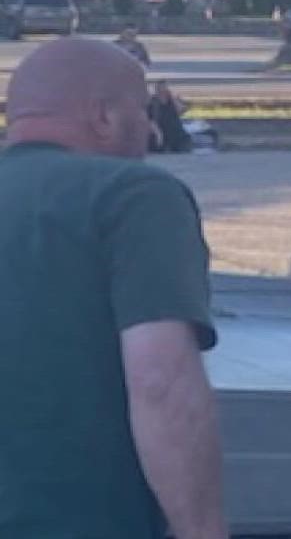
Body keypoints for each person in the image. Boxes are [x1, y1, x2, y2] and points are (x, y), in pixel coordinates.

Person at [0, 38, 227, 539]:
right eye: (143, 110)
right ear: (103, 116)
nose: (150, 128)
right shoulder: (132, 196)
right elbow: (161, 383)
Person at [148, 80, 192, 155]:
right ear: (156, 90)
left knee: (184, 142)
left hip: (176, 131)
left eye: (165, 88)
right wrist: (159, 135)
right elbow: (151, 121)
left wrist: (172, 98)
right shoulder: (152, 103)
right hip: (161, 131)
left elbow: (181, 111)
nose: (163, 91)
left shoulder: (173, 101)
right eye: (160, 88)